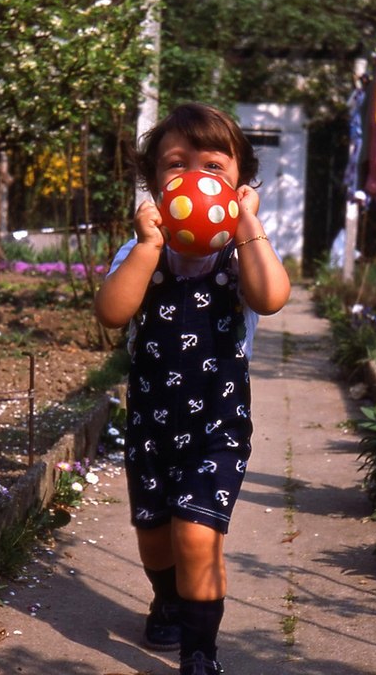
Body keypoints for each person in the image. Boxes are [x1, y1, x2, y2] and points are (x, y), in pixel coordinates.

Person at [95, 103, 291, 675]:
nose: (194, 177)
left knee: (197, 534)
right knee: (155, 536)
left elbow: (272, 297)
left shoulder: (241, 253)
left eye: (213, 165)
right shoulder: (139, 252)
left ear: (239, 183)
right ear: (154, 184)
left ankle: (200, 654)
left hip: (218, 429)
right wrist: (150, 246)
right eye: (175, 165)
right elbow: (112, 312)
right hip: (151, 424)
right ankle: (167, 599)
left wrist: (248, 225)